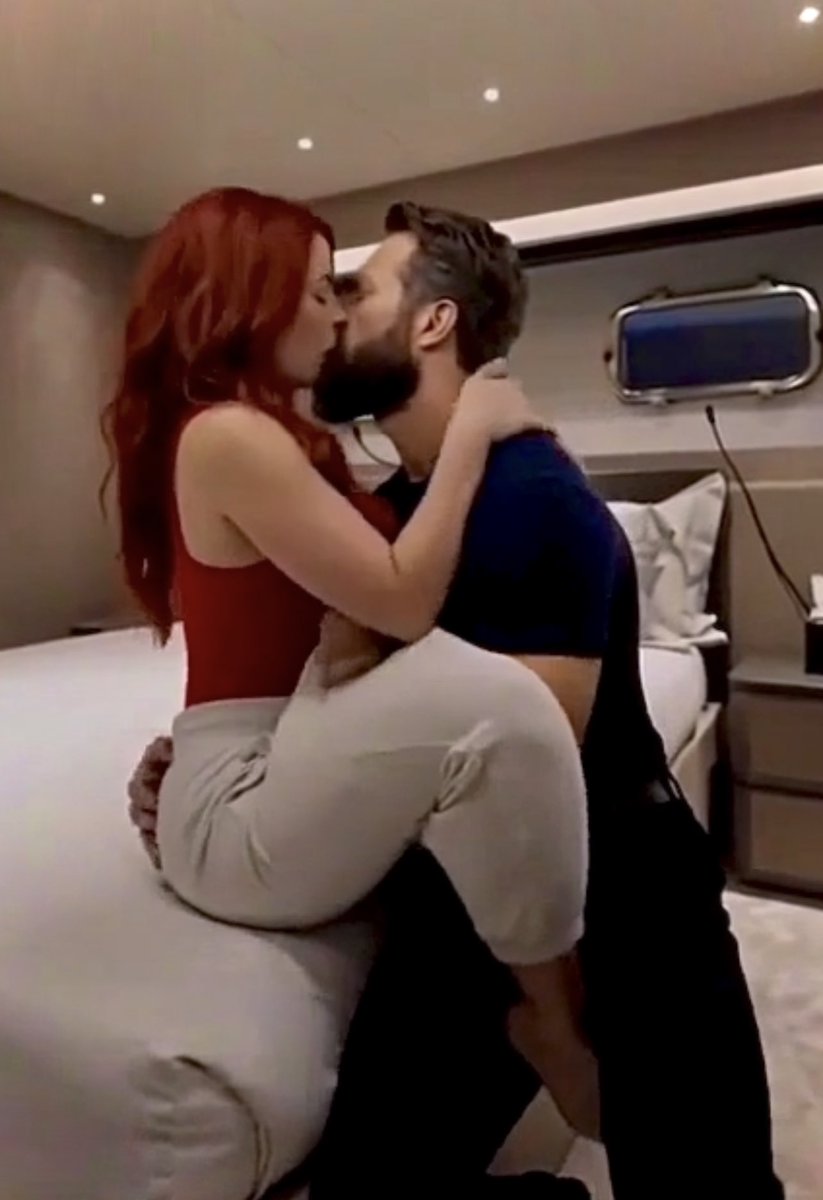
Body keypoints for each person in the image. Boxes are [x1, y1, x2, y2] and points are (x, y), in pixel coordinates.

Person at [298, 204, 786, 1200]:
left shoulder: (533, 495)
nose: (338, 312)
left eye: (361, 288)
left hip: (622, 888)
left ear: (434, 322)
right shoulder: (397, 516)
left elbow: (531, 750)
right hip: (460, 893)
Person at [106, 186, 595, 1164]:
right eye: (318, 289)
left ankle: (550, 1011)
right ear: (251, 295)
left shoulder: (309, 448)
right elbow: (401, 603)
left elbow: (335, 632)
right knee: (485, 698)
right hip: (243, 790)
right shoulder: (229, 434)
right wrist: (472, 433)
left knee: (486, 701)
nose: (333, 314)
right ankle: (557, 1018)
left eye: (349, 290)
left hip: (267, 757)